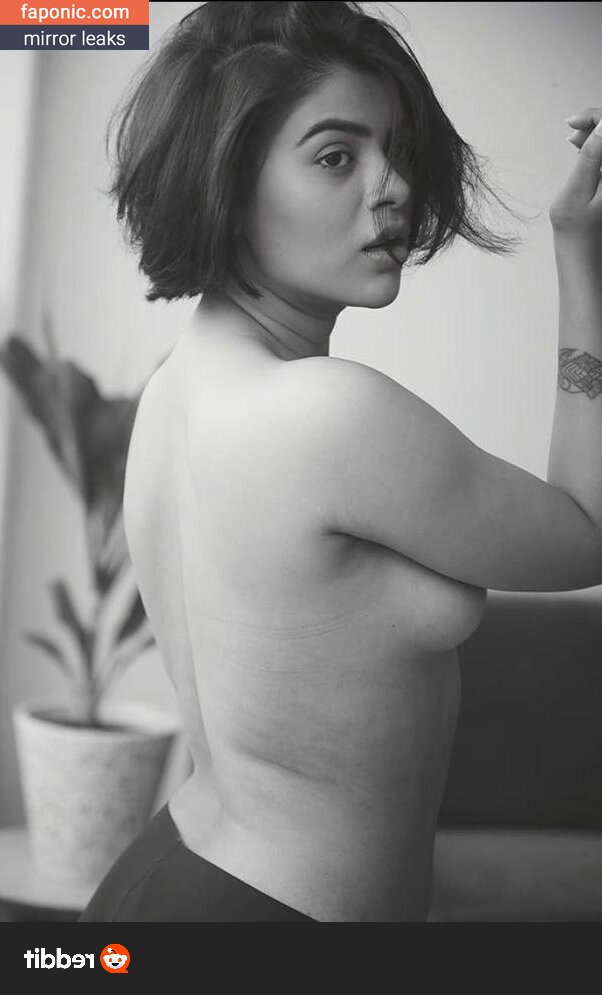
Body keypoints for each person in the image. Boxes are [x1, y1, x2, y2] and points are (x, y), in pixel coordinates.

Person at [78, 1, 602, 923]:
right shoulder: (327, 412)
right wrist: (581, 256)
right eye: (335, 156)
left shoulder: (177, 389)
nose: (392, 186)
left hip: (168, 878)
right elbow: (589, 531)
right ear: (226, 178)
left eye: (395, 148)